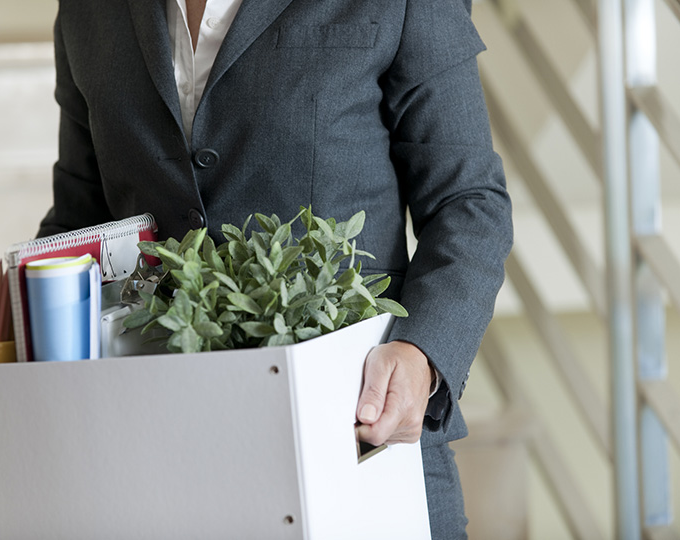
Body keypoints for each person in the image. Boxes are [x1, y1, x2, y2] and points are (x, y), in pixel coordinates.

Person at [38, 0, 513, 537]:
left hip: (356, 442)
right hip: (160, 456)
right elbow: (81, 219)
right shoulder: (86, 11)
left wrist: (422, 351)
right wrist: (21, 324)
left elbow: (467, 200)